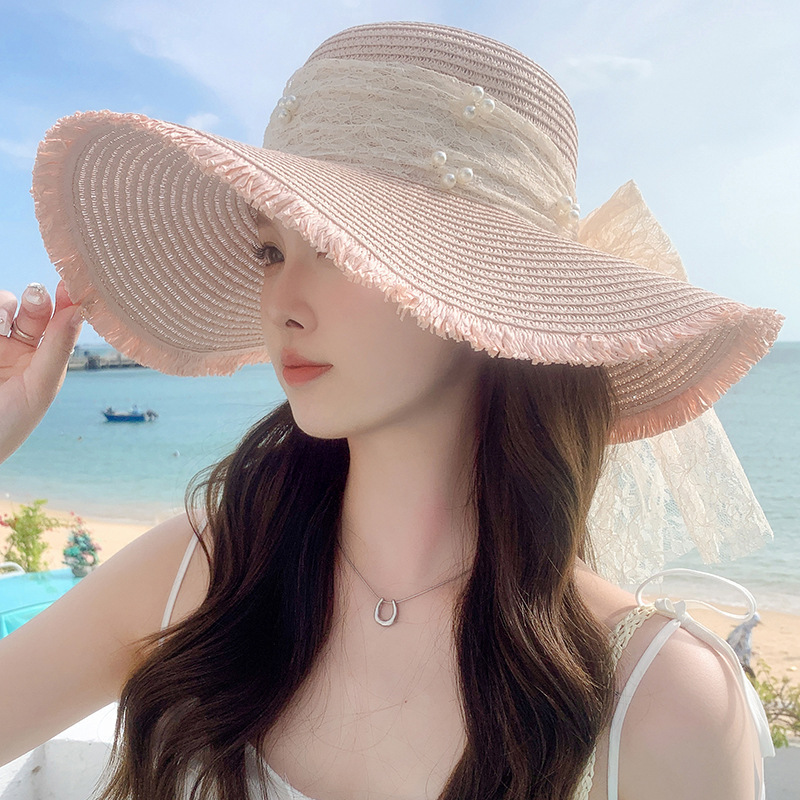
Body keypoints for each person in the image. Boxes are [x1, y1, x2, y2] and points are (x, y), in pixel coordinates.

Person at [0, 20, 781, 800]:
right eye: (271, 251)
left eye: (338, 247)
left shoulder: (665, 701)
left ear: (491, 284)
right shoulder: (203, 571)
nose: (282, 304)